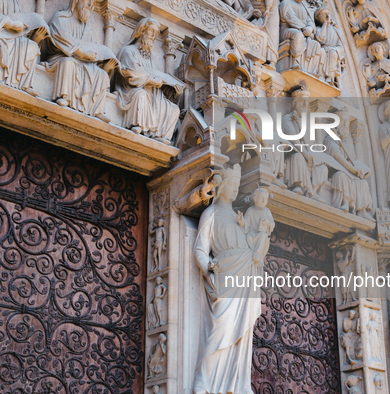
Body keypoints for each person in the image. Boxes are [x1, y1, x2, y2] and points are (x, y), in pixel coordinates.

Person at [193, 164, 268, 394]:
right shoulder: (211, 214)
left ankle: (240, 384)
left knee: (243, 331)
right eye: (232, 185)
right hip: (225, 274)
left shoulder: (240, 218)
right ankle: (203, 379)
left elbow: (253, 245)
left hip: (246, 273)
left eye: (238, 186)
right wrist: (208, 269)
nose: (235, 190)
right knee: (221, 327)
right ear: (222, 186)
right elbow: (200, 249)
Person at [115, 18, 184, 144]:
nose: (153, 36)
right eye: (152, 31)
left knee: (174, 109)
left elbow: (159, 81)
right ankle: (138, 125)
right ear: (142, 31)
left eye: (156, 33)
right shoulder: (128, 51)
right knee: (141, 95)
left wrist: (173, 91)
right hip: (130, 92)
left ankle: (161, 136)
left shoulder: (151, 59)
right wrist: (152, 80)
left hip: (153, 96)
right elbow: (131, 73)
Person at [45, 0, 116, 121]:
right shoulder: (61, 19)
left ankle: (96, 109)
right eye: (87, 1)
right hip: (61, 57)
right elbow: (62, 38)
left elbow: (92, 48)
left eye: (92, 3)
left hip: (83, 63)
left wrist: (103, 62)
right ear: (76, 2)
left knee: (102, 74)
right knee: (68, 63)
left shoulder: (87, 30)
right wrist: (81, 53)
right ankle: (64, 96)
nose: (90, 5)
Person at [0, 0, 48, 95]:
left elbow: (20, 29)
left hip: (11, 39)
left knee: (33, 46)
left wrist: (35, 38)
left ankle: (24, 84)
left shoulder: (14, 3)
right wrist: (10, 23)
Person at [237, 187, 275, 266]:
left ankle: (257, 254)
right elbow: (246, 222)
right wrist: (241, 221)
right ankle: (251, 255)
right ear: (255, 198)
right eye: (262, 198)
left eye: (266, 199)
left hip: (261, 234)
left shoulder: (267, 211)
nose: (264, 201)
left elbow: (272, 223)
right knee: (248, 237)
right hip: (252, 233)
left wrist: (268, 223)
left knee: (263, 235)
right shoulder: (251, 210)